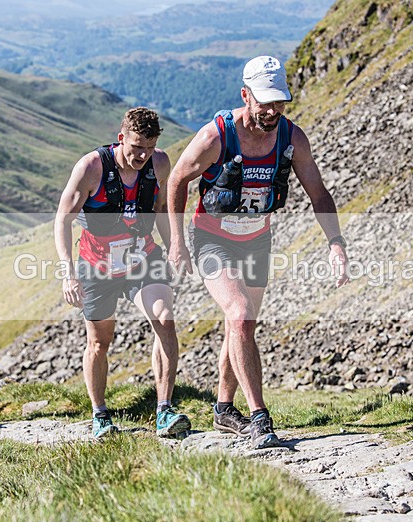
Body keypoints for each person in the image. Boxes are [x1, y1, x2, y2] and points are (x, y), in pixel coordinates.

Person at [167, 56, 349, 449]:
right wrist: (177, 242)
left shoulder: (292, 138)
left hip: (257, 238)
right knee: (240, 315)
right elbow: (178, 178)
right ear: (245, 95)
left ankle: (222, 408)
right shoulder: (216, 136)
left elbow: (319, 193)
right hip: (211, 237)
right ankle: (259, 417)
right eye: (264, 102)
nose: (271, 111)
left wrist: (335, 244)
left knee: (241, 326)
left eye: (279, 102)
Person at [54, 107, 190, 439]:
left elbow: (159, 209)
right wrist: (68, 273)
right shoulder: (91, 167)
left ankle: (164, 410)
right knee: (99, 342)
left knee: (165, 318)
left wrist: (174, 245)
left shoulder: (159, 163)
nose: (142, 155)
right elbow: (62, 219)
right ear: (121, 138)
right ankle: (100, 415)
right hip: (96, 266)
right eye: (136, 146)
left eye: (150, 146)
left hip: (141, 256)